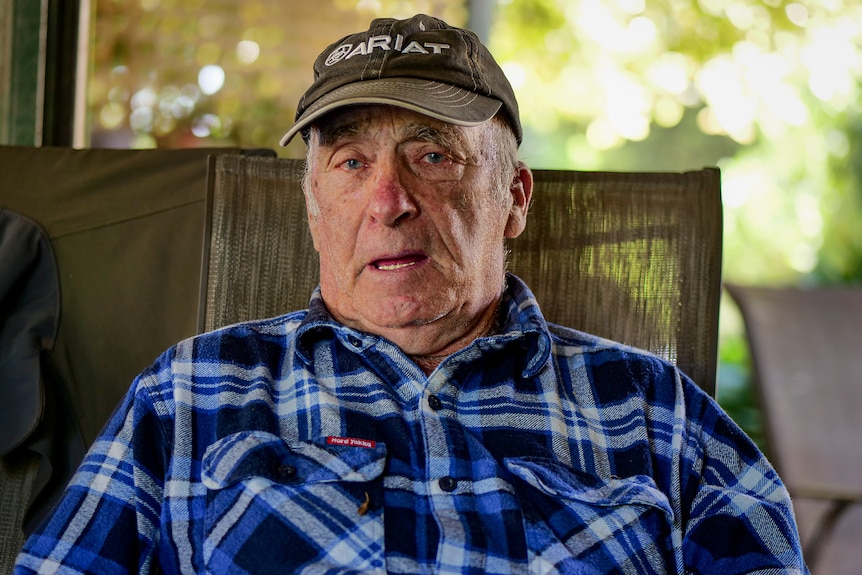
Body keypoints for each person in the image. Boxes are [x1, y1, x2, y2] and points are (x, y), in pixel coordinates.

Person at [15, 14, 808, 575]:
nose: (388, 201)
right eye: (352, 162)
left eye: (432, 155)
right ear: (314, 206)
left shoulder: (656, 412)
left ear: (515, 197)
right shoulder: (187, 395)